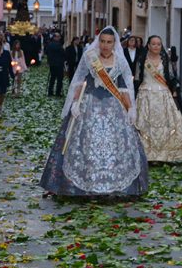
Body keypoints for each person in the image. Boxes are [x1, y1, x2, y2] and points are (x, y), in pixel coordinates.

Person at [39, 27, 148, 197]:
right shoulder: (90, 58)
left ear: (115, 43)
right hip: (89, 105)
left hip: (114, 108)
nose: (105, 45)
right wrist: (75, 103)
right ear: (99, 41)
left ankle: (114, 186)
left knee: (118, 145)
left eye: (109, 42)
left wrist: (131, 108)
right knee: (83, 143)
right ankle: (80, 185)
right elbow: (79, 81)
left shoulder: (120, 60)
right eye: (103, 41)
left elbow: (125, 86)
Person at [135, 36, 182, 162]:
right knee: (146, 125)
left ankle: (165, 154)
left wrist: (175, 89)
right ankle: (148, 154)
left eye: (159, 44)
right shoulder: (142, 59)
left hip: (163, 95)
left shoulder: (165, 59)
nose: (156, 46)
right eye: (153, 44)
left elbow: (171, 76)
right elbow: (137, 78)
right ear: (148, 45)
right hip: (146, 95)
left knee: (165, 124)